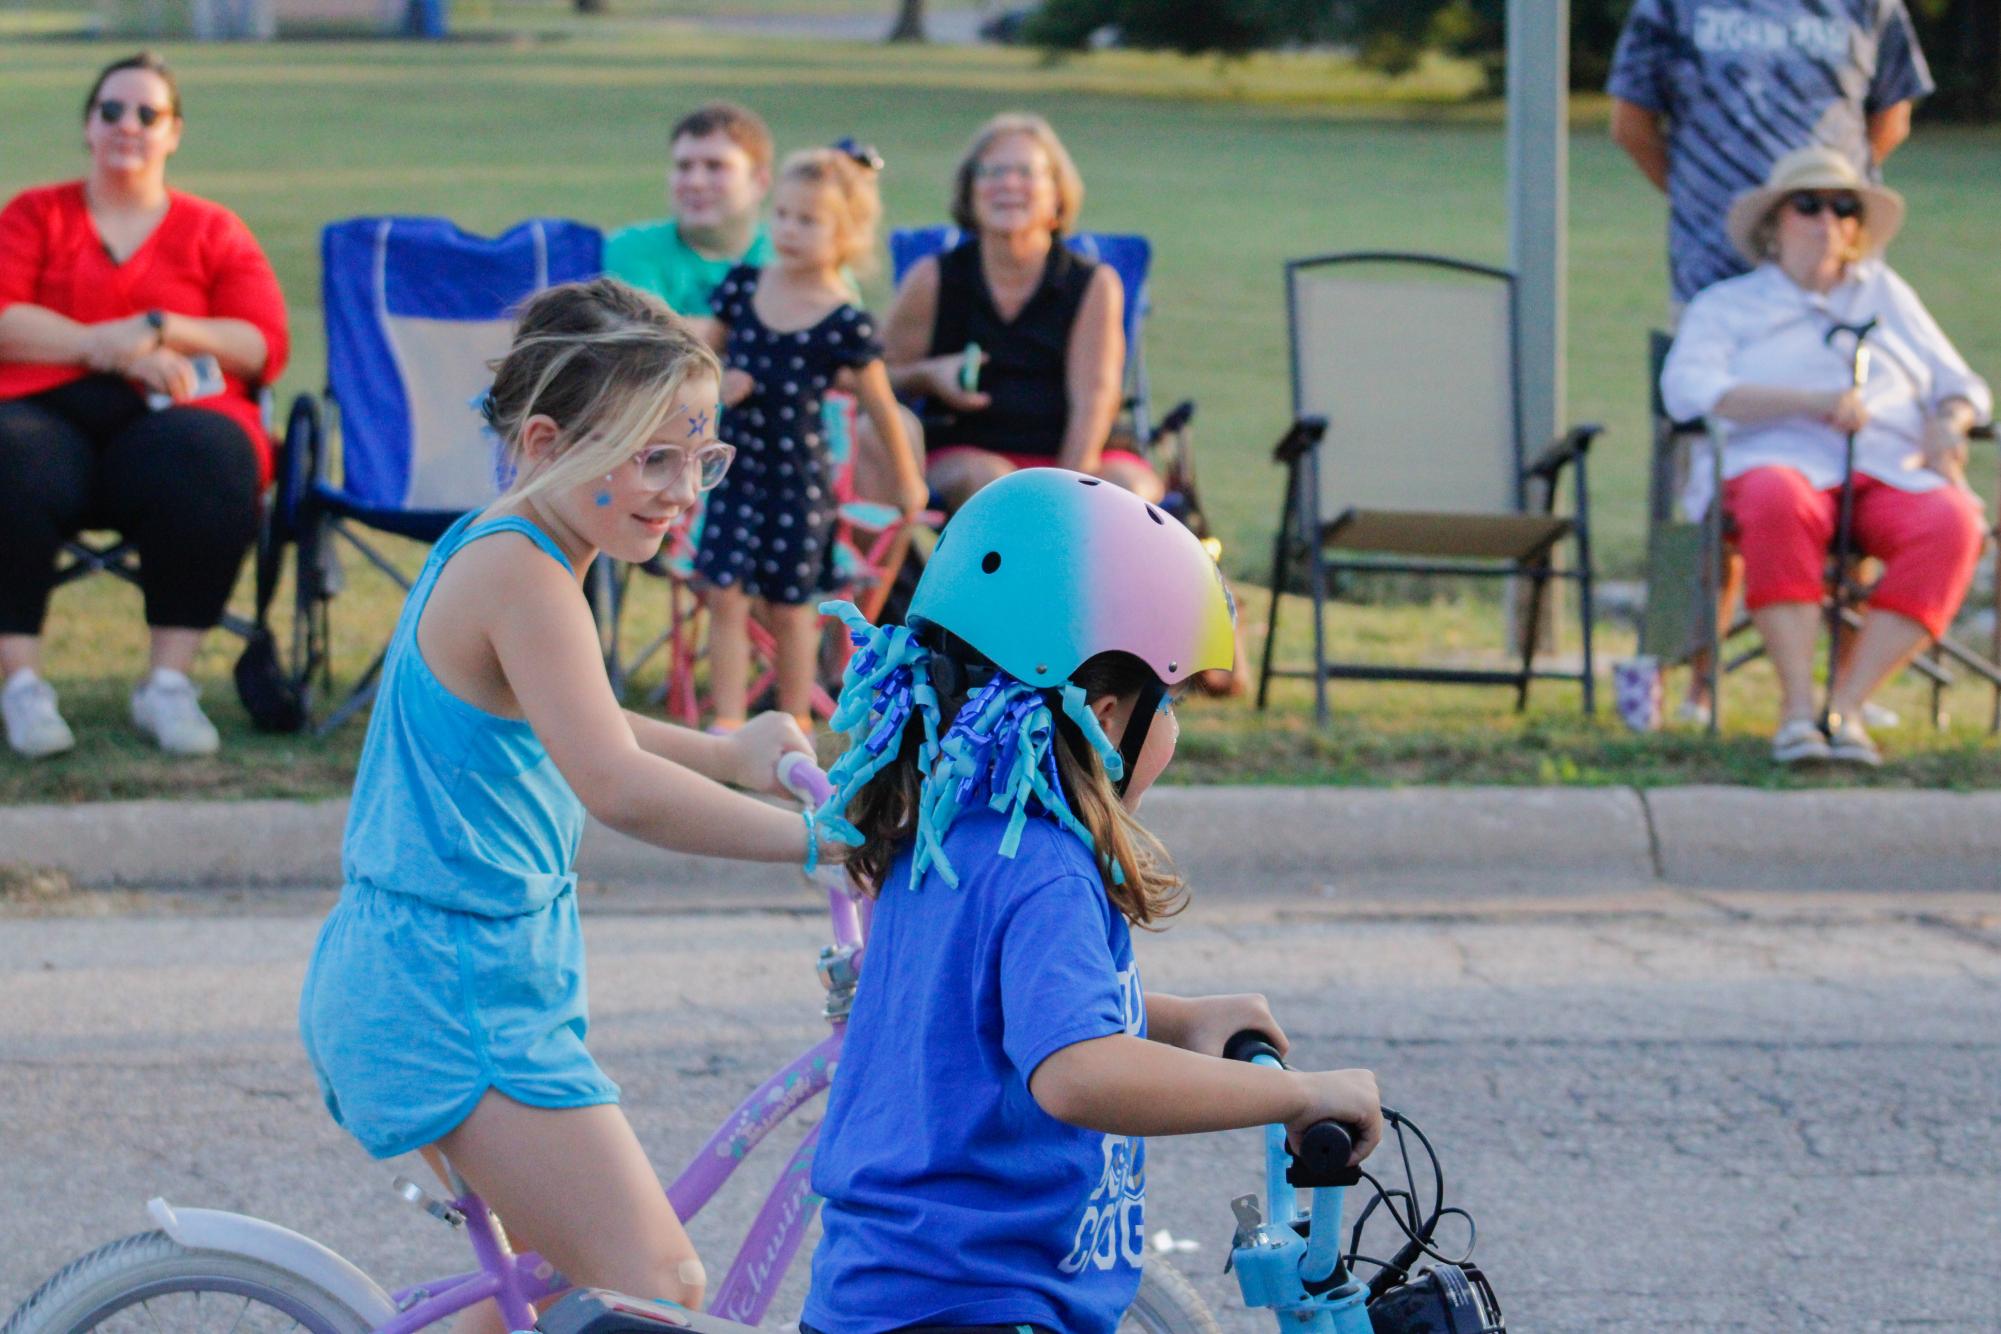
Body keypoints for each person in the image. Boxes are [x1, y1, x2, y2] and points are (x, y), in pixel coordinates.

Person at [298, 278, 836, 1334]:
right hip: (449, 992)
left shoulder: (521, 543)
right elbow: (615, 784)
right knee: (660, 1288)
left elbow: (578, 716)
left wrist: (730, 751)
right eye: (653, 458)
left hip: (469, 970)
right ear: (546, 441)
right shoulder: (524, 575)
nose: (684, 490)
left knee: (543, 1289)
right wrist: (817, 843)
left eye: (701, 458)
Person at [799, 468, 1383, 1334]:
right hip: (982, 1308)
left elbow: (984, 1021)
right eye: (1171, 701)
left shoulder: (944, 836)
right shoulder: (1045, 868)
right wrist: (1297, 1097)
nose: (1174, 729)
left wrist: (1173, 1020)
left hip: (890, 1297)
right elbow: (1078, 1073)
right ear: (1105, 716)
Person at [0, 51, 289, 759]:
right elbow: (6, 316)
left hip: (172, 423)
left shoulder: (213, 229)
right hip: (42, 414)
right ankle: (21, 686)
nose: (128, 125)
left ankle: (168, 684)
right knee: (6, 454)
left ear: (173, 132)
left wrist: (163, 326)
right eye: (111, 110)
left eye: (147, 113)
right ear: (89, 127)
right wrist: (117, 349)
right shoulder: (35, 214)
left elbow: (259, 343)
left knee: (214, 456)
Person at [1661, 147, 1990, 766]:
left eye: (1844, 209)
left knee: (1953, 522)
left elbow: (1963, 384)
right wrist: (1807, 401)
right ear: (1773, 224)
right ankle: (1794, 713)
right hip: (1775, 461)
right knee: (1777, 498)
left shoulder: (1886, 295)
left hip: (1887, 466)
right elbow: (1687, 392)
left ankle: (1847, 707)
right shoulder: (1728, 306)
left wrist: (1950, 423)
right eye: (1808, 206)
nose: (1828, 223)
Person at [697, 145, 928, 734]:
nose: (790, 230)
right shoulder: (745, 288)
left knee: (789, 607)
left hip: (798, 485)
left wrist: (907, 482)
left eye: (809, 220)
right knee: (722, 594)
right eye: (783, 215)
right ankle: (726, 721)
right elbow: (701, 357)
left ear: (847, 234)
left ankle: (792, 721)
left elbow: (880, 405)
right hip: (732, 472)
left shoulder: (842, 319)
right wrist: (721, 382)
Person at [878, 112, 1155, 512]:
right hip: (966, 452)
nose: (1008, 183)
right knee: (995, 485)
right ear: (970, 190)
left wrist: (1068, 491)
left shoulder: (1093, 283)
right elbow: (874, 375)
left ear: (1057, 194)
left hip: (1077, 453)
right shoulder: (933, 277)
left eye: (1027, 172)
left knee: (1128, 490)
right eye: (992, 171)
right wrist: (930, 376)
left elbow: (1095, 399)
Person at [605, 101, 775, 336]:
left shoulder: (791, 251)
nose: (695, 182)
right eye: (684, 166)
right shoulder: (633, 246)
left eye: (716, 166)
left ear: (760, 182)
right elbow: (645, 341)